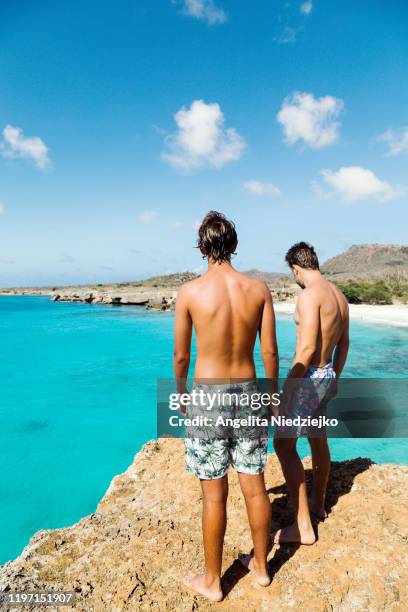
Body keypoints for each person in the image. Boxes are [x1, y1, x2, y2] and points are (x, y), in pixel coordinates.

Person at [173, 211, 279, 602]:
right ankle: (262, 568)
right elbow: (269, 349)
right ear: (234, 245)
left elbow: (181, 356)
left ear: (202, 248)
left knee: (214, 494)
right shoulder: (258, 288)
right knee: (254, 485)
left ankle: (213, 581)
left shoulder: (190, 292)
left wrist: (183, 394)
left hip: (207, 395)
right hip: (250, 390)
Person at [273, 242, 349, 545]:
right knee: (318, 439)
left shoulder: (308, 296)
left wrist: (286, 392)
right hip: (327, 373)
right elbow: (344, 345)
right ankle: (317, 503)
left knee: (283, 445)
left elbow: (305, 349)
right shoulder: (339, 297)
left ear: (296, 269)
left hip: (307, 377)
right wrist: (334, 377)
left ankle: (302, 526)